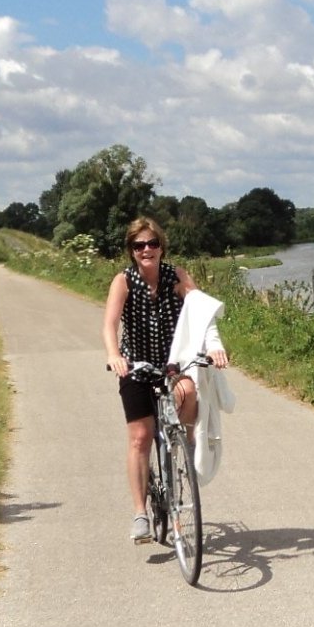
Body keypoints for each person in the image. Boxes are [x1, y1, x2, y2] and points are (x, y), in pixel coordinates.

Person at [102, 217, 229, 542]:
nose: (147, 250)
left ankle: (182, 448)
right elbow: (110, 324)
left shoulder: (177, 275)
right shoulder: (124, 281)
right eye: (139, 245)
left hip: (172, 365)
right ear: (131, 251)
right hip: (136, 368)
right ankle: (140, 513)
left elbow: (202, 313)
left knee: (188, 390)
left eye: (152, 244)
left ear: (161, 246)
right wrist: (115, 355)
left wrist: (213, 347)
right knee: (140, 438)